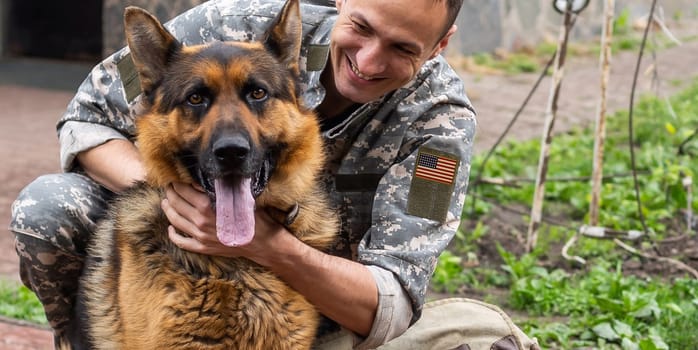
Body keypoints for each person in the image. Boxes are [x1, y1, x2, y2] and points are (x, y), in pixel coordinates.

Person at [10, 0, 539, 349]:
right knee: (48, 207)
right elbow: (84, 117)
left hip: (325, 303)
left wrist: (267, 245)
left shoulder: (439, 127)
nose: (369, 60)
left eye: (403, 48)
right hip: (172, 252)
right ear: (343, 1)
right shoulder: (222, 26)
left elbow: (394, 299)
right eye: (362, 29)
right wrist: (171, 190)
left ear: (439, 45)